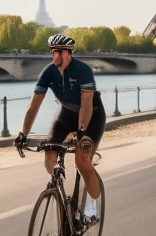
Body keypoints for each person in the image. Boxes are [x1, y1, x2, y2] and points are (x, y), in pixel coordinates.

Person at [15, 34, 107, 223]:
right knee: (49, 155)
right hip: (65, 114)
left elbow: (87, 104)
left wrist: (81, 131)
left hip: (91, 116)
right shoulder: (48, 72)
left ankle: (91, 204)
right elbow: (33, 107)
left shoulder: (83, 70)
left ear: (69, 53)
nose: (56, 57)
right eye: (53, 52)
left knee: (82, 159)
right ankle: (62, 195)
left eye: (60, 52)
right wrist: (23, 134)